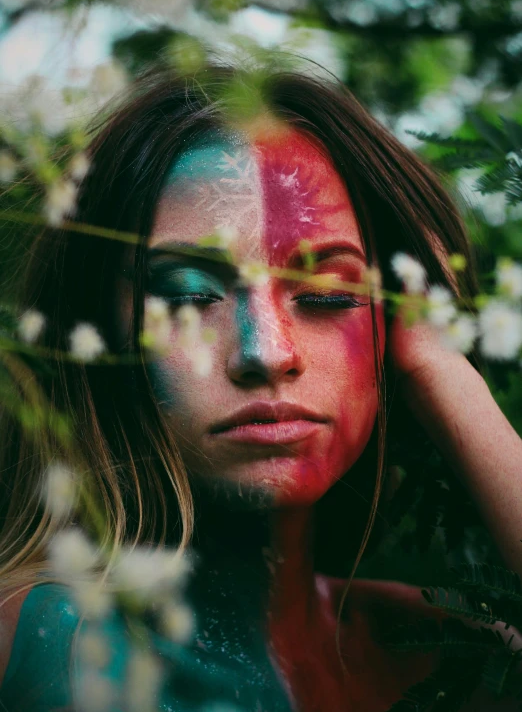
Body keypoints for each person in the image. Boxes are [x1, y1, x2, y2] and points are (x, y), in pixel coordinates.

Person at [0, 65, 521, 712]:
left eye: (328, 294)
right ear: (99, 335)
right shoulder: (44, 641)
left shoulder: (442, 646)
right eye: (190, 294)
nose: (266, 351)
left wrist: (438, 366)